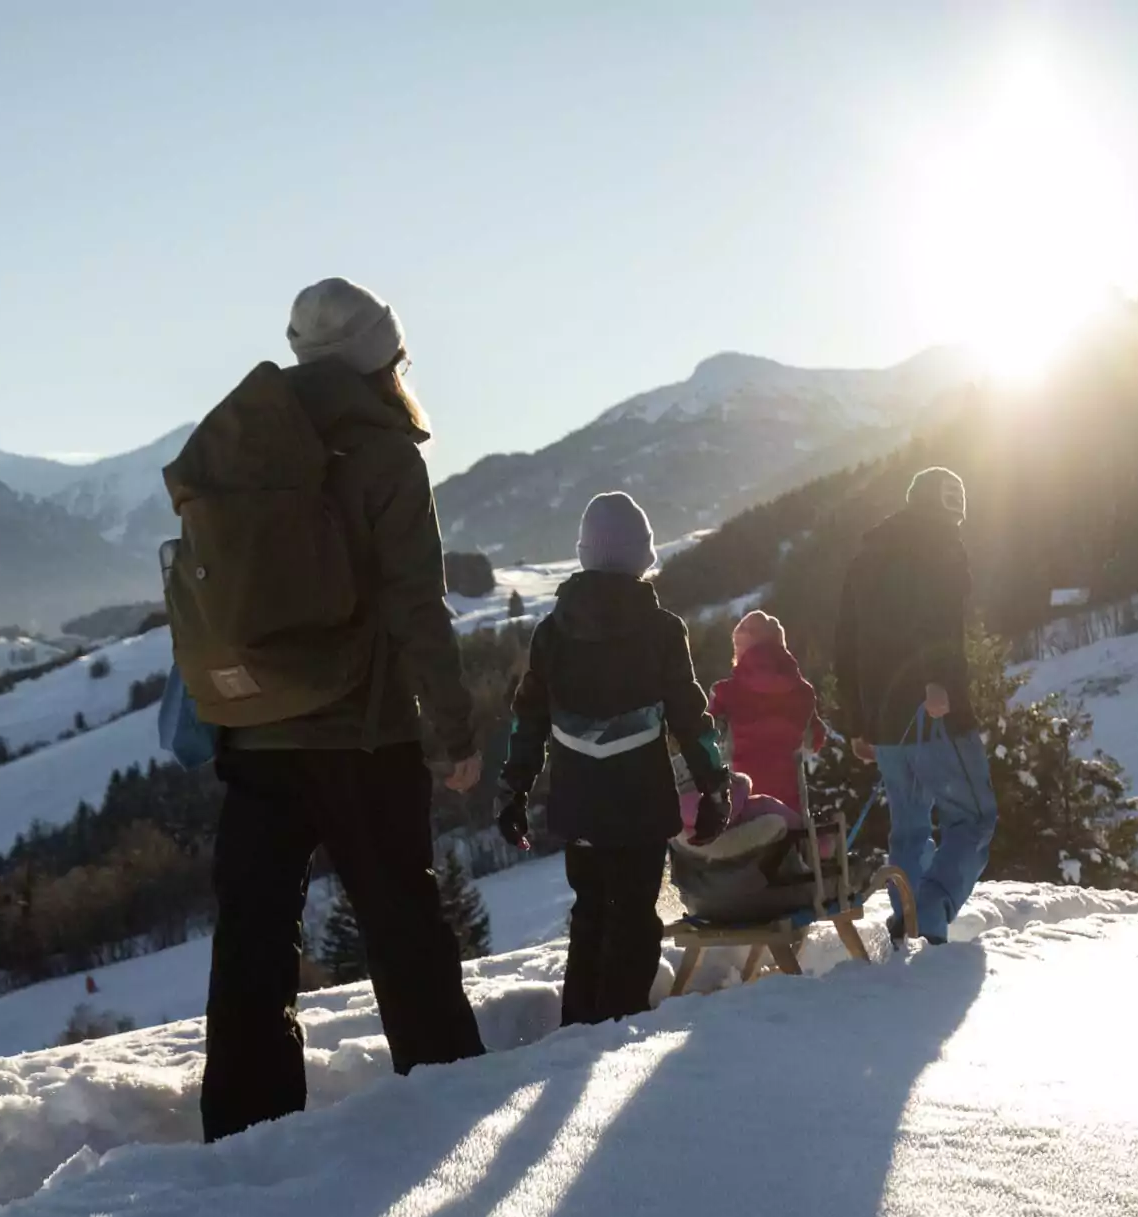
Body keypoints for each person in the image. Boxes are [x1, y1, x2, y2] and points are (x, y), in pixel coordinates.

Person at [177, 277, 487, 1142]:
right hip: (363, 729)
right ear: (381, 359)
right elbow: (417, 607)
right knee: (402, 923)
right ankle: (451, 1104)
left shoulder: (246, 444)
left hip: (257, 730)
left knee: (251, 936)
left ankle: (244, 1131)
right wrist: (453, 731)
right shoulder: (384, 452)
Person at [498, 491, 731, 1025]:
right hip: (640, 803)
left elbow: (527, 716)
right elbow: (690, 716)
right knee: (635, 918)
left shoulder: (551, 632)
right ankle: (614, 1037)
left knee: (589, 914)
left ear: (584, 553)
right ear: (642, 557)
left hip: (579, 802)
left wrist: (514, 789)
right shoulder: (662, 630)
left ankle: (576, 1028)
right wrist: (713, 785)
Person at [833, 466, 997, 944]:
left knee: (909, 827)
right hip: (932, 711)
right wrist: (940, 683)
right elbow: (939, 621)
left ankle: (908, 914)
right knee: (973, 817)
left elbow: (846, 644)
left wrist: (858, 723)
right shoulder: (940, 546)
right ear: (950, 506)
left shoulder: (866, 558)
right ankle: (928, 912)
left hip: (884, 722)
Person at [708, 609, 825, 815]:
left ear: (743, 648)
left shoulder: (724, 693)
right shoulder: (803, 692)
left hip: (741, 809)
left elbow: (707, 740)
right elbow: (813, 741)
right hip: (790, 811)